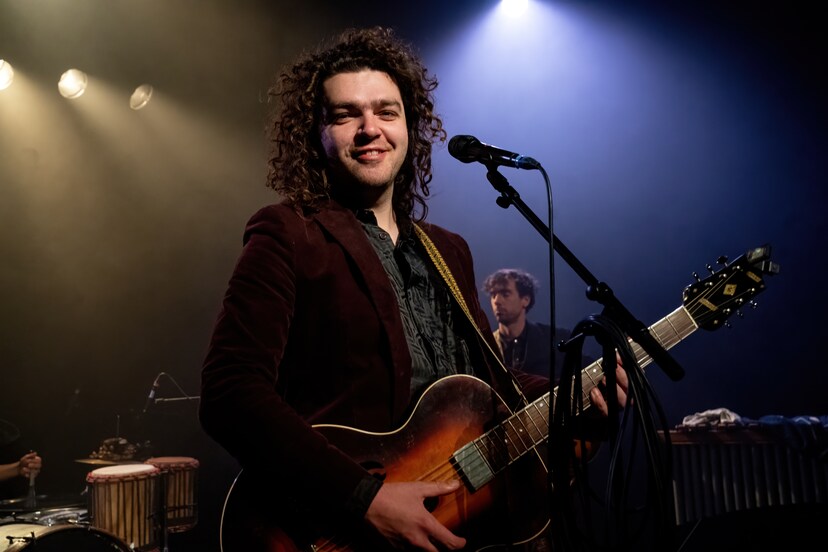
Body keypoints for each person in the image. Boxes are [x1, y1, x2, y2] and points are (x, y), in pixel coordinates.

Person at [199, 26, 628, 552]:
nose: (369, 129)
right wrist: (364, 498)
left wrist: (578, 396)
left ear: (409, 127)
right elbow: (230, 393)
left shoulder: (449, 250)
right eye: (345, 114)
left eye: (386, 111)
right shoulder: (288, 233)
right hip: (330, 527)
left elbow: (486, 386)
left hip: (460, 524)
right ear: (316, 135)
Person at [482, 268, 588, 378]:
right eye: (493, 295)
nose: (496, 301)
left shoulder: (557, 338)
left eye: (505, 294)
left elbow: (587, 368)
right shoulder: (484, 347)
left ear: (525, 300)